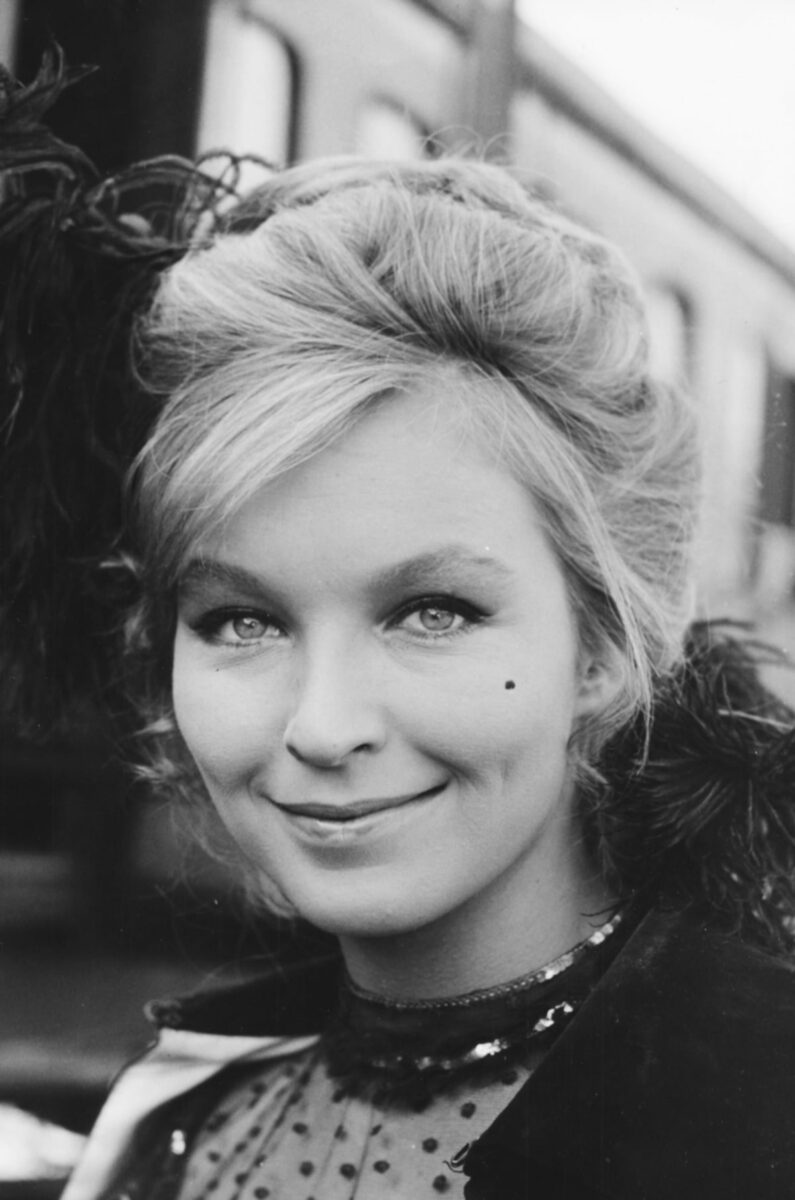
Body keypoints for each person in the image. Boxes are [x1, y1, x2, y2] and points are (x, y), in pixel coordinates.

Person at [62, 157, 795, 1200]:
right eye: (242, 621)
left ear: (601, 646)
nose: (323, 726)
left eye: (431, 613)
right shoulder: (186, 1115)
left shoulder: (757, 1123)